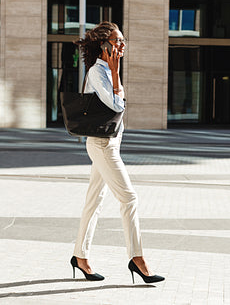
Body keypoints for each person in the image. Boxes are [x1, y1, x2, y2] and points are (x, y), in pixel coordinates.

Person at [70, 21, 164, 284]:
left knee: (94, 202)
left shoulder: (108, 72)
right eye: (117, 41)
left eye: (123, 41)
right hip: (102, 145)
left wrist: (115, 73)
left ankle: (80, 256)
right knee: (130, 199)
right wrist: (114, 72)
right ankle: (137, 258)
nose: (122, 45)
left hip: (108, 143)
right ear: (105, 45)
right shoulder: (98, 73)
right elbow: (116, 105)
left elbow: (117, 103)